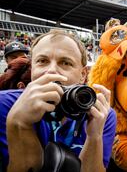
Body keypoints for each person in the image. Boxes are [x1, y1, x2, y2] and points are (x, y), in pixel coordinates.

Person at [0, 29, 116, 172]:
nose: (51, 70)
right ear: (32, 69)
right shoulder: (5, 104)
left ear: (83, 75)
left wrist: (94, 137)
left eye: (65, 63)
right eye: (42, 61)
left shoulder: (102, 114)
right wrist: (19, 123)